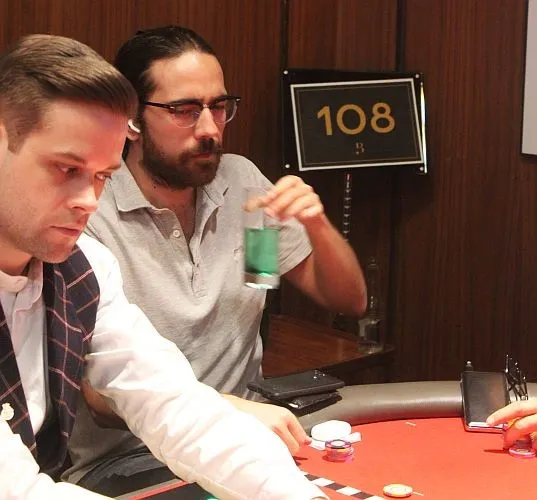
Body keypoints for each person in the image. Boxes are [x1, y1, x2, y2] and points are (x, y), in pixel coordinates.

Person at [0, 33, 329, 499]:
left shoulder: (85, 268)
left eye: (102, 176)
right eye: (67, 169)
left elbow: (174, 406)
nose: (88, 201)